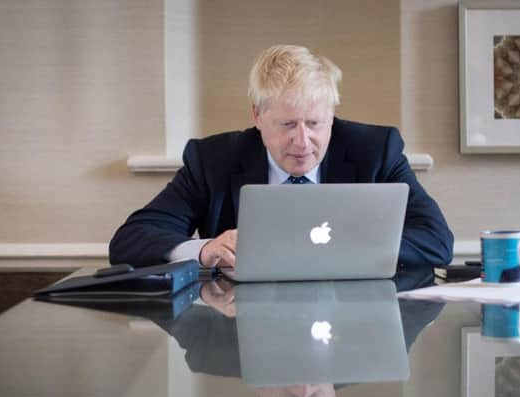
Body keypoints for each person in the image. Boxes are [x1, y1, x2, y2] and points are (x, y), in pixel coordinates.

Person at [109, 44, 454, 269]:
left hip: (351, 325)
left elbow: (437, 242)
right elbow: (131, 240)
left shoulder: (376, 150)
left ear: (332, 115)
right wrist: (204, 250)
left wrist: (342, 248)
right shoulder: (213, 159)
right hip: (242, 328)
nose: (303, 141)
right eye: (287, 124)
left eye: (316, 124)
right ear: (257, 116)